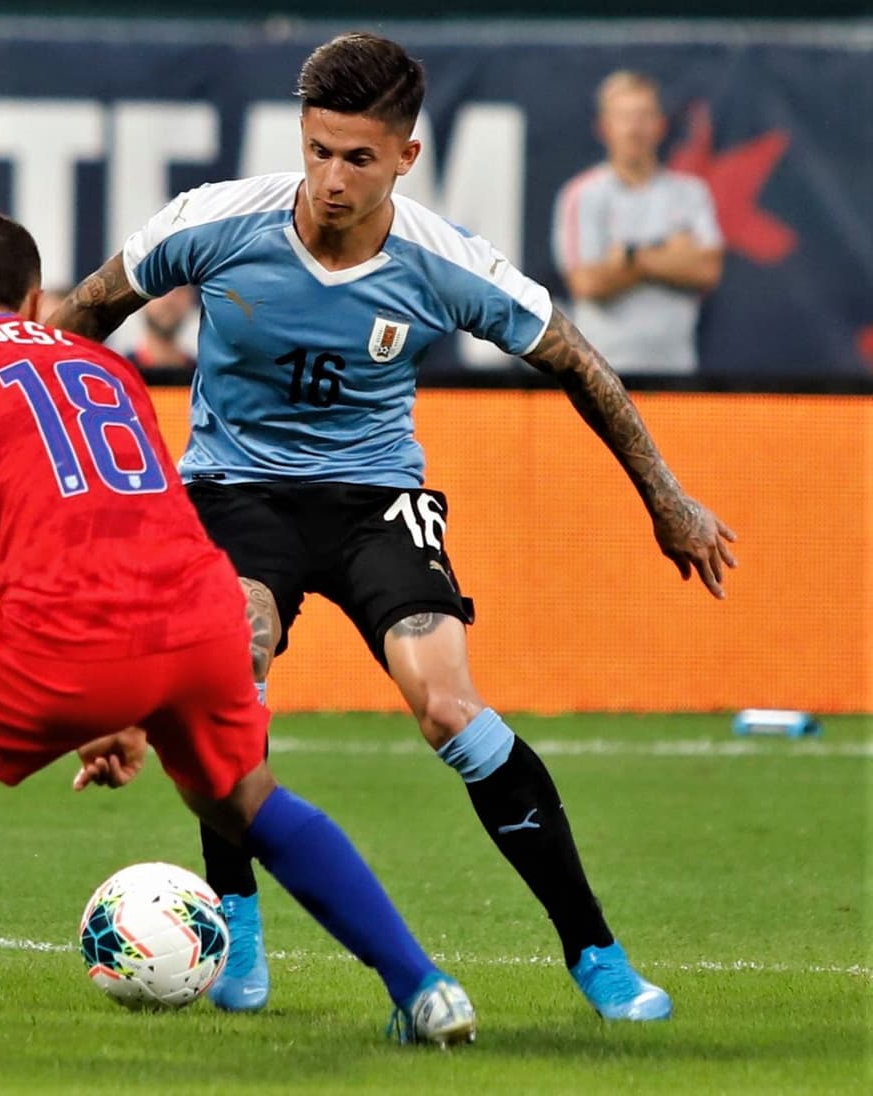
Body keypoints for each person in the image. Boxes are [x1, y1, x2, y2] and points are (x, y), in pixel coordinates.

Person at [49, 32, 737, 1021]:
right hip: (233, 490)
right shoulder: (211, 223)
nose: (330, 178)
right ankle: (235, 917)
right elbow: (76, 322)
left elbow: (576, 361)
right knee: (232, 658)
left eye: (357, 158)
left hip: (374, 498)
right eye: (317, 149)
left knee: (450, 707)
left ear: (404, 158)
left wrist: (666, 499)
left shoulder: (439, 260)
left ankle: (592, 949)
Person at [0, 210, 477, 1049]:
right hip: (204, 615)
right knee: (247, 800)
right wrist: (123, 704)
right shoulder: (106, 365)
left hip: (70, 633)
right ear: (34, 300)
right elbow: (128, 524)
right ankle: (425, 988)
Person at [552, 70, 724, 374]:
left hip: (676, 371)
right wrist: (668, 255)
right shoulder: (582, 195)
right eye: (624, 117)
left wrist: (630, 257)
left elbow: (707, 270)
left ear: (660, 125)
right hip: (602, 375)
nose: (634, 128)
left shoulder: (690, 193)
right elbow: (587, 282)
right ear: (604, 127)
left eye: (644, 116)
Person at [124, 286, 197, 371]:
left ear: (191, 299)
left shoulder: (204, 377)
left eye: (180, 290)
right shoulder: (119, 375)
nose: (169, 299)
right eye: (160, 290)